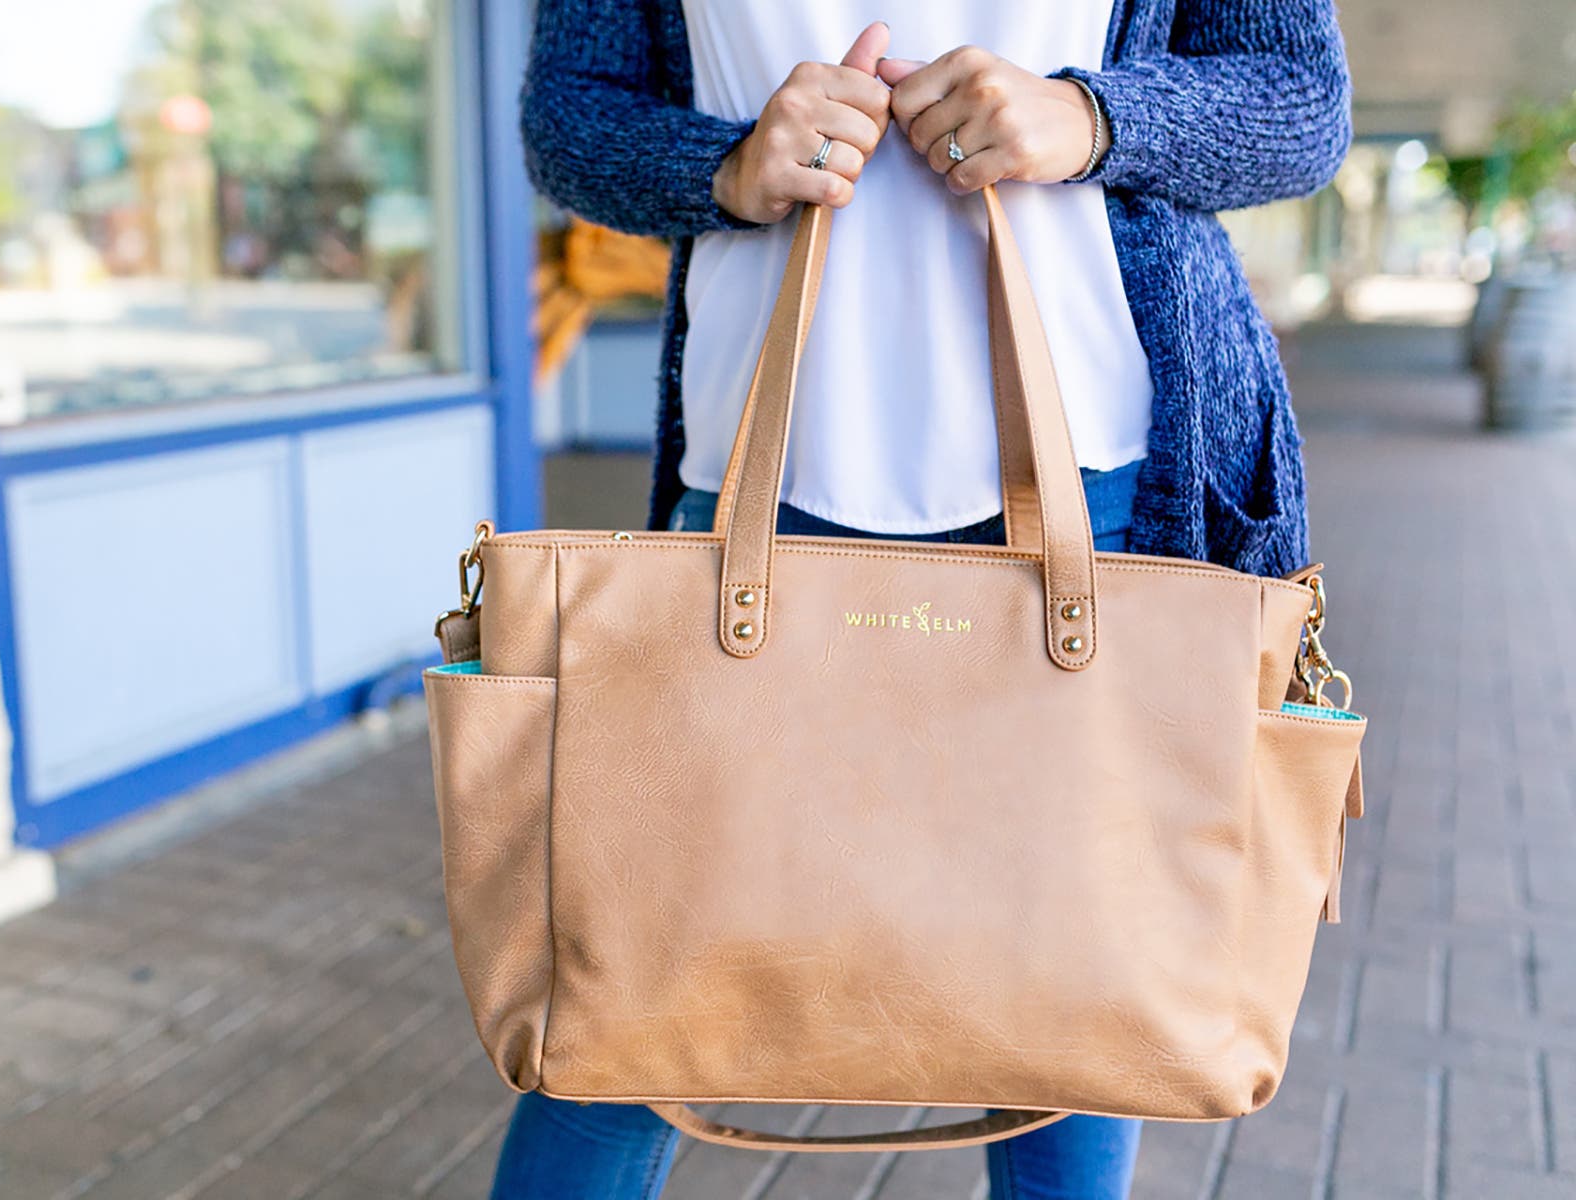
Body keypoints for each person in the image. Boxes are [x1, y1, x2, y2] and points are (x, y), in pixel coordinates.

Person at [498, 2, 1351, 1196]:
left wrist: (1092, 115)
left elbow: (1303, 105)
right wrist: (729, 162)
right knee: (634, 990)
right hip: (760, 480)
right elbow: (567, 120)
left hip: (1101, 492)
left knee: (1073, 1017)